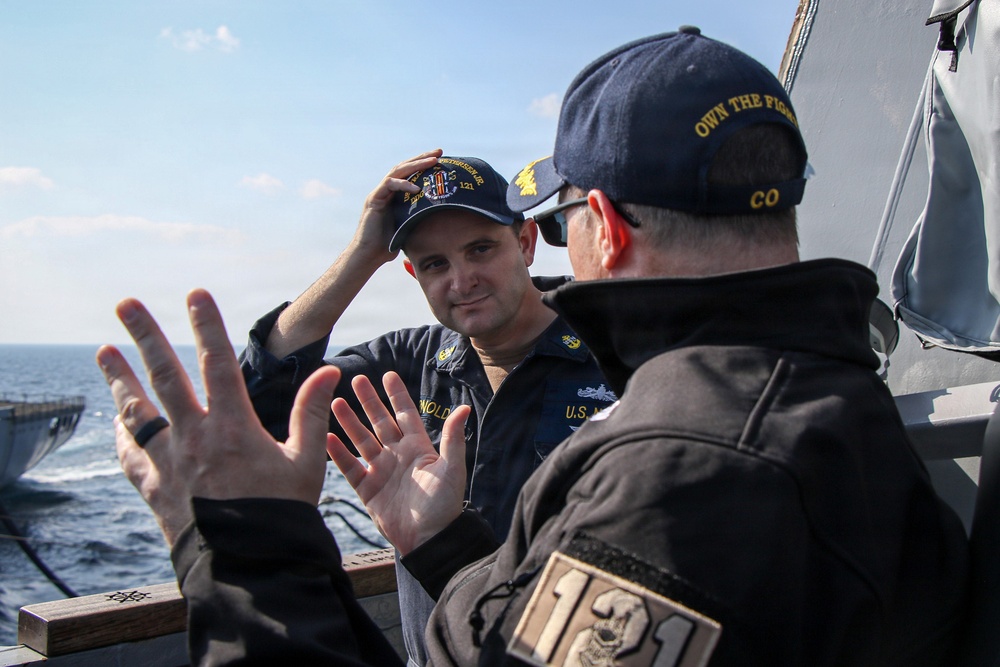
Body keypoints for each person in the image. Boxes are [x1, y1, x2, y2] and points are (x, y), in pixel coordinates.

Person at [99, 28, 969, 666]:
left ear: (599, 228)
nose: (462, 279)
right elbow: (270, 402)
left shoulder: (684, 468)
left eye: (541, 229)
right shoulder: (832, 394)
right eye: (432, 263)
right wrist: (439, 541)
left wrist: (236, 545)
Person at [237, 151, 609, 665]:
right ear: (413, 274)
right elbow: (261, 418)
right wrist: (362, 255)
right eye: (435, 264)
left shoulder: (615, 350)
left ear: (525, 243)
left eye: (480, 249)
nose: (462, 280)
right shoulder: (404, 366)